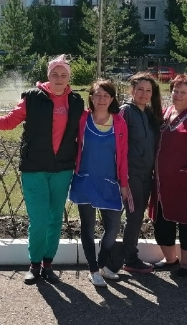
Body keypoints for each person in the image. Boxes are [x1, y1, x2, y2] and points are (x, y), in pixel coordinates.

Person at [0, 54, 84, 284]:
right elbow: (9, 121)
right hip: (34, 167)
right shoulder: (32, 98)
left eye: (63, 74)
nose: (59, 78)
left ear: (69, 77)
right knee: (39, 219)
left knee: (55, 219)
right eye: (55, 74)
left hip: (63, 168)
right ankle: (34, 264)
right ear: (48, 75)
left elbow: (88, 126)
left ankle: (48, 264)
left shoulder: (76, 102)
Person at [148, 74, 187, 277]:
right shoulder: (166, 112)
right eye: (175, 91)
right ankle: (170, 259)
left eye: (183, 92)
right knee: (162, 222)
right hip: (163, 182)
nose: (178, 95)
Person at [71, 79, 131, 288]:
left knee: (113, 228)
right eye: (97, 94)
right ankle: (94, 270)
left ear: (112, 99)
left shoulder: (119, 123)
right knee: (87, 227)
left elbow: (123, 156)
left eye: (106, 95)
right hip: (85, 180)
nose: (102, 99)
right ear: (91, 97)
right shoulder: (82, 119)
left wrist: (124, 183)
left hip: (109, 183)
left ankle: (103, 264)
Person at [119, 73, 162, 274]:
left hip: (147, 174)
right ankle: (130, 258)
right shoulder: (126, 112)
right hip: (131, 174)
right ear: (132, 90)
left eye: (148, 91)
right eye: (140, 89)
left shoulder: (149, 114)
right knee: (134, 216)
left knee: (137, 216)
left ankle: (129, 256)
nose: (144, 94)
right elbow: (117, 144)